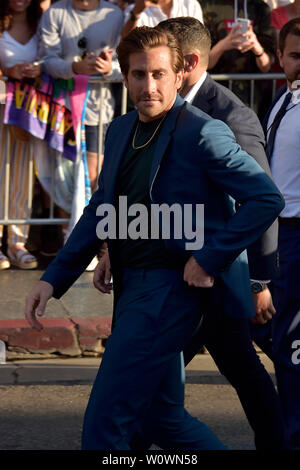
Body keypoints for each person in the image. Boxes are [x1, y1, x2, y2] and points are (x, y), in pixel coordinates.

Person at [25, 26, 284, 450]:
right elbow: (102, 209)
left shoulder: (203, 131)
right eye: (139, 75)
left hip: (170, 293)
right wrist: (54, 278)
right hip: (131, 288)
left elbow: (265, 198)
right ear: (125, 78)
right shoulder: (121, 128)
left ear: (179, 74)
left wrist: (208, 258)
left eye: (159, 74)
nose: (149, 86)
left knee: (104, 428)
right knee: (161, 420)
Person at [251, 18, 300, 449]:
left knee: (290, 345)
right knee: (269, 331)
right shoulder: (282, 100)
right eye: (296, 55)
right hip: (273, 231)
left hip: (297, 236)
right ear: (280, 57)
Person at [39, 0, 123, 194]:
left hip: (99, 110)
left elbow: (128, 64)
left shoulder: (114, 15)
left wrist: (109, 69)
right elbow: (46, 60)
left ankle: (89, 223)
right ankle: (64, 226)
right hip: (60, 108)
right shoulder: (54, 13)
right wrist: (74, 68)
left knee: (93, 177)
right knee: (60, 178)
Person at [0, 0, 43, 270]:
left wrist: (38, 70)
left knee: (21, 174)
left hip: (27, 109)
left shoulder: (42, 23)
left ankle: (17, 242)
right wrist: (7, 72)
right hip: (1, 104)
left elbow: (53, 57)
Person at [200, 0, 276, 118]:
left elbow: (266, 66)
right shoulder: (208, 6)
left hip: (253, 95)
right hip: (215, 92)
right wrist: (223, 45)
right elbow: (203, 64)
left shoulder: (260, 8)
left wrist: (256, 46)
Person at [122, 0, 203, 38]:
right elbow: (126, 43)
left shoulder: (191, 4)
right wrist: (136, 13)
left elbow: (199, 39)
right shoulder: (133, 9)